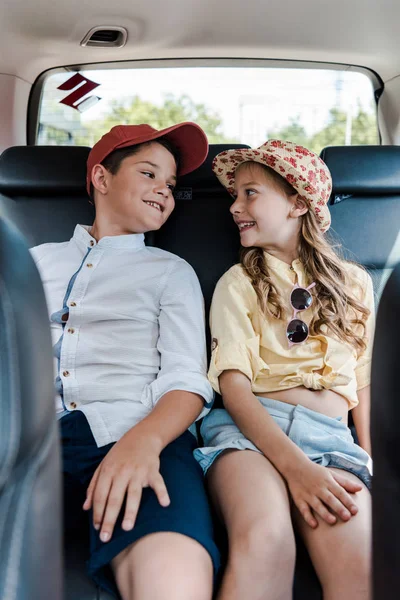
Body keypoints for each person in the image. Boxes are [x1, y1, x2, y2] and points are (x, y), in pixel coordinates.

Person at [30, 122, 220, 600]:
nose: (164, 190)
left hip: (134, 432)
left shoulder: (172, 272)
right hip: (30, 441)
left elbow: (186, 379)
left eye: (172, 185)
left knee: (171, 574)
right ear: (101, 177)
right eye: (149, 173)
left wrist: (143, 442)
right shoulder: (31, 261)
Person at [194, 140, 374, 600]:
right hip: (249, 432)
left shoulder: (354, 284)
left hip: (332, 440)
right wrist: (296, 468)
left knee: (361, 567)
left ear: (298, 202)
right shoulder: (239, 283)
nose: (234, 206)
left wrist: (372, 461)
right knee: (266, 539)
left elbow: (364, 380)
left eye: (249, 193)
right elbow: (233, 387)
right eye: (234, 195)